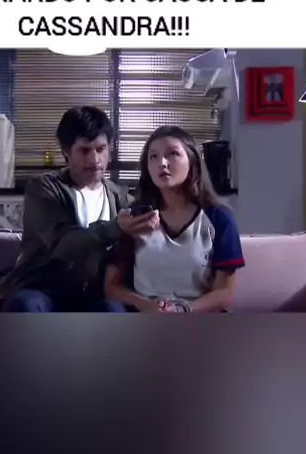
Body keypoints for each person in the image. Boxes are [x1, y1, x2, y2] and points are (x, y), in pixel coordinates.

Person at [0, 106, 159, 312]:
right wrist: (115, 228)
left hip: (92, 295)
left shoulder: (119, 197)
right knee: (26, 305)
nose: (95, 159)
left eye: (101, 149)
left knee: (113, 310)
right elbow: (62, 242)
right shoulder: (44, 188)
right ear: (66, 152)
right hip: (42, 288)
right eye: (84, 151)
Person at [104, 125, 245, 313]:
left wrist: (183, 310)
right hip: (146, 317)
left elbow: (225, 294)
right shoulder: (135, 217)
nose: (162, 163)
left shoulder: (219, 218)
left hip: (199, 318)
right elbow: (111, 286)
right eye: (153, 157)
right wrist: (144, 304)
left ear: (192, 161)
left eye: (173, 154)